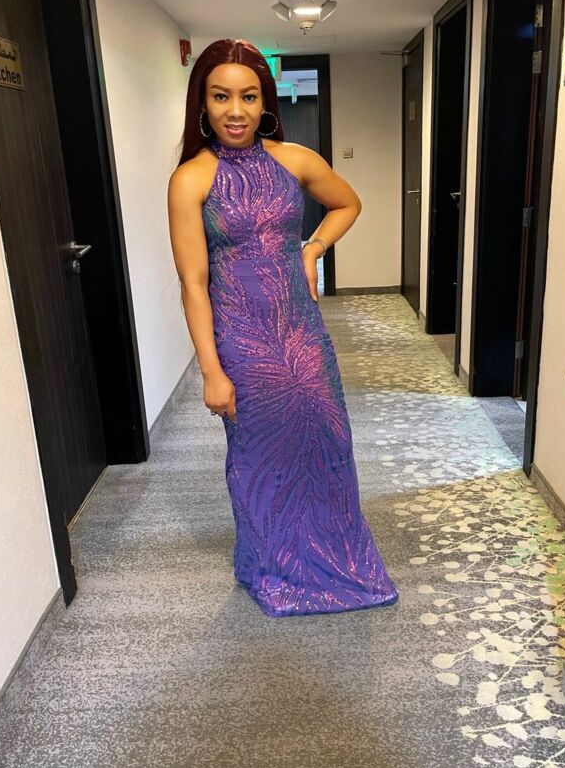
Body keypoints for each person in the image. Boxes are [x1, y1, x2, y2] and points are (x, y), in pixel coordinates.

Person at [167, 38, 399, 617]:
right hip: (243, 342)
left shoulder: (294, 159)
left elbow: (347, 203)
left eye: (248, 97)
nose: (236, 111)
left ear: (265, 101)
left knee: (327, 443)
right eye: (221, 97)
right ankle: (274, 565)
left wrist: (312, 248)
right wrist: (212, 372)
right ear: (203, 102)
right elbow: (193, 283)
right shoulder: (191, 179)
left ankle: (339, 559)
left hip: (302, 333)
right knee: (261, 458)